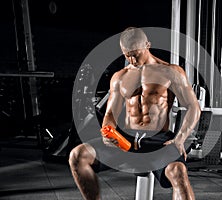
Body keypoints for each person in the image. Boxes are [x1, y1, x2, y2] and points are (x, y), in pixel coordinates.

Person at [68, 27, 201, 200]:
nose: (132, 59)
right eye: (127, 55)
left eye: (135, 54)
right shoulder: (120, 77)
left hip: (157, 142)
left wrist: (180, 138)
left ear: (147, 45)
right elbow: (110, 113)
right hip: (126, 141)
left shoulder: (170, 72)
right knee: (78, 156)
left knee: (178, 171)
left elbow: (193, 107)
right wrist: (108, 130)